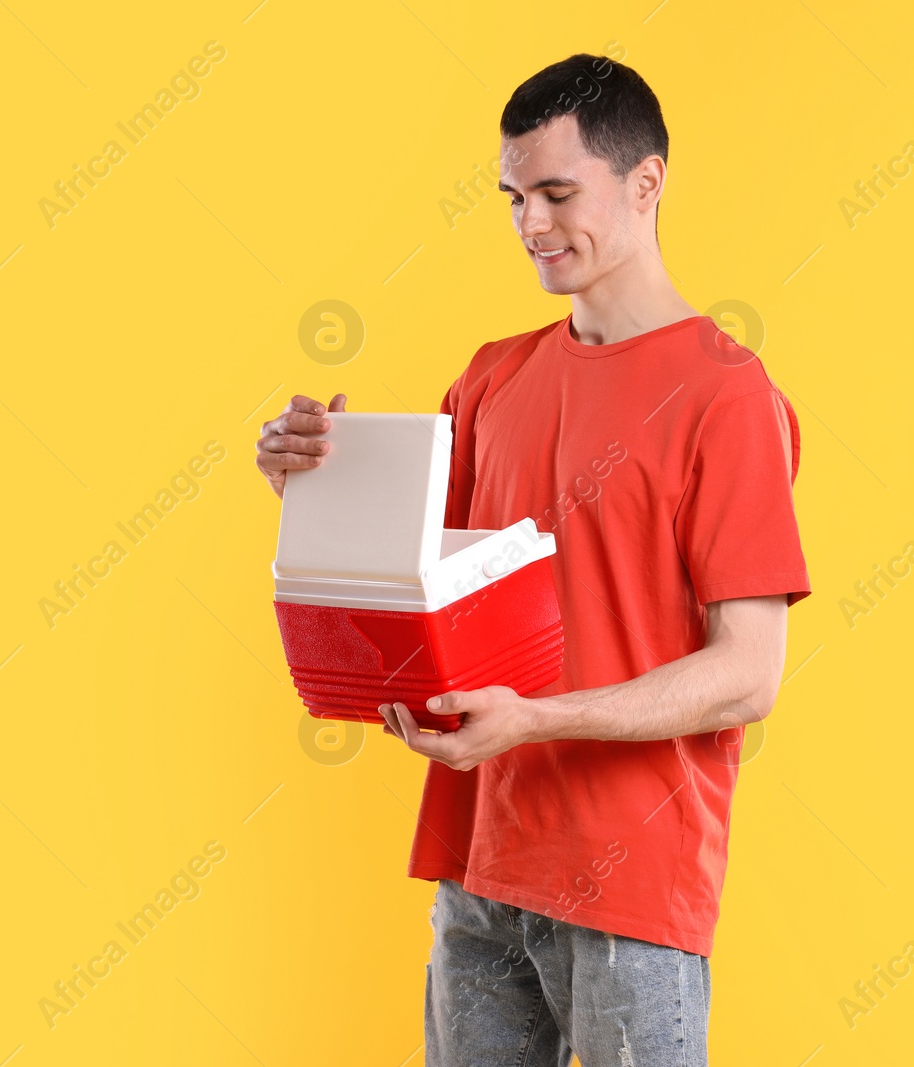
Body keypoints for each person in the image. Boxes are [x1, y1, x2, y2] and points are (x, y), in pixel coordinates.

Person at [256, 52, 811, 1067]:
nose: (530, 224)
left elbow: (748, 672)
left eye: (557, 192)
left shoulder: (727, 396)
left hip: (632, 881)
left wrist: (540, 719)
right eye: (514, 197)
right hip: (480, 862)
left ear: (646, 183)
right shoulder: (491, 377)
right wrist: (311, 479)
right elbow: (424, 576)